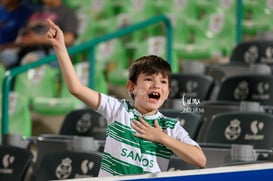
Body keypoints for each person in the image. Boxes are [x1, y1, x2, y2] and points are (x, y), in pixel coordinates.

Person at [46, 19, 207, 177]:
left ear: (167, 93)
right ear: (132, 87)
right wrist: (60, 47)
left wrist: (161, 138)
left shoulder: (169, 127)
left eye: (163, 82)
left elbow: (200, 160)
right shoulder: (118, 110)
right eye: (149, 79)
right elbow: (76, 88)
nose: (157, 86)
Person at [14, 0, 78, 67]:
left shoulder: (67, 12)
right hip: (26, 50)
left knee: (31, 59)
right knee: (7, 56)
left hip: (52, 53)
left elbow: (69, 39)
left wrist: (38, 40)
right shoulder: (37, 12)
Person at [0, 0, 33, 68]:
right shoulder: (1, 11)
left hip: (12, 49)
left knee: (9, 57)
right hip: (2, 48)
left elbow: (24, 40)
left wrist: (4, 47)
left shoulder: (25, 13)